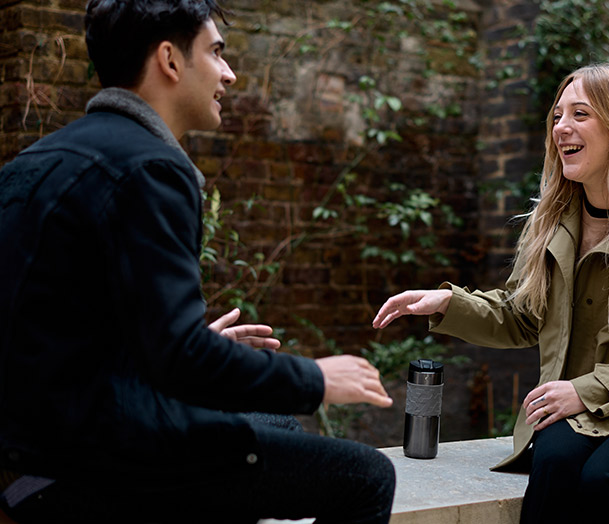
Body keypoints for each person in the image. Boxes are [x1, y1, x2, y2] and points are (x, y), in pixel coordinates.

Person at [0, 1, 395, 522]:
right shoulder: (152, 167)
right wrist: (316, 378)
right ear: (170, 60)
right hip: (90, 468)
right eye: (215, 53)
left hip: (27, 454)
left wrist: (196, 344)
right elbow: (181, 362)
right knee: (367, 477)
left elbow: (59, 335)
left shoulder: (34, 161)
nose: (228, 74)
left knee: (271, 423)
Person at [373, 63, 609, 523]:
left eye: (580, 114)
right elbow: (525, 317)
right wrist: (449, 303)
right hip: (583, 411)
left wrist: (586, 389)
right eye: (557, 116)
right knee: (554, 462)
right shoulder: (556, 218)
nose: (561, 127)